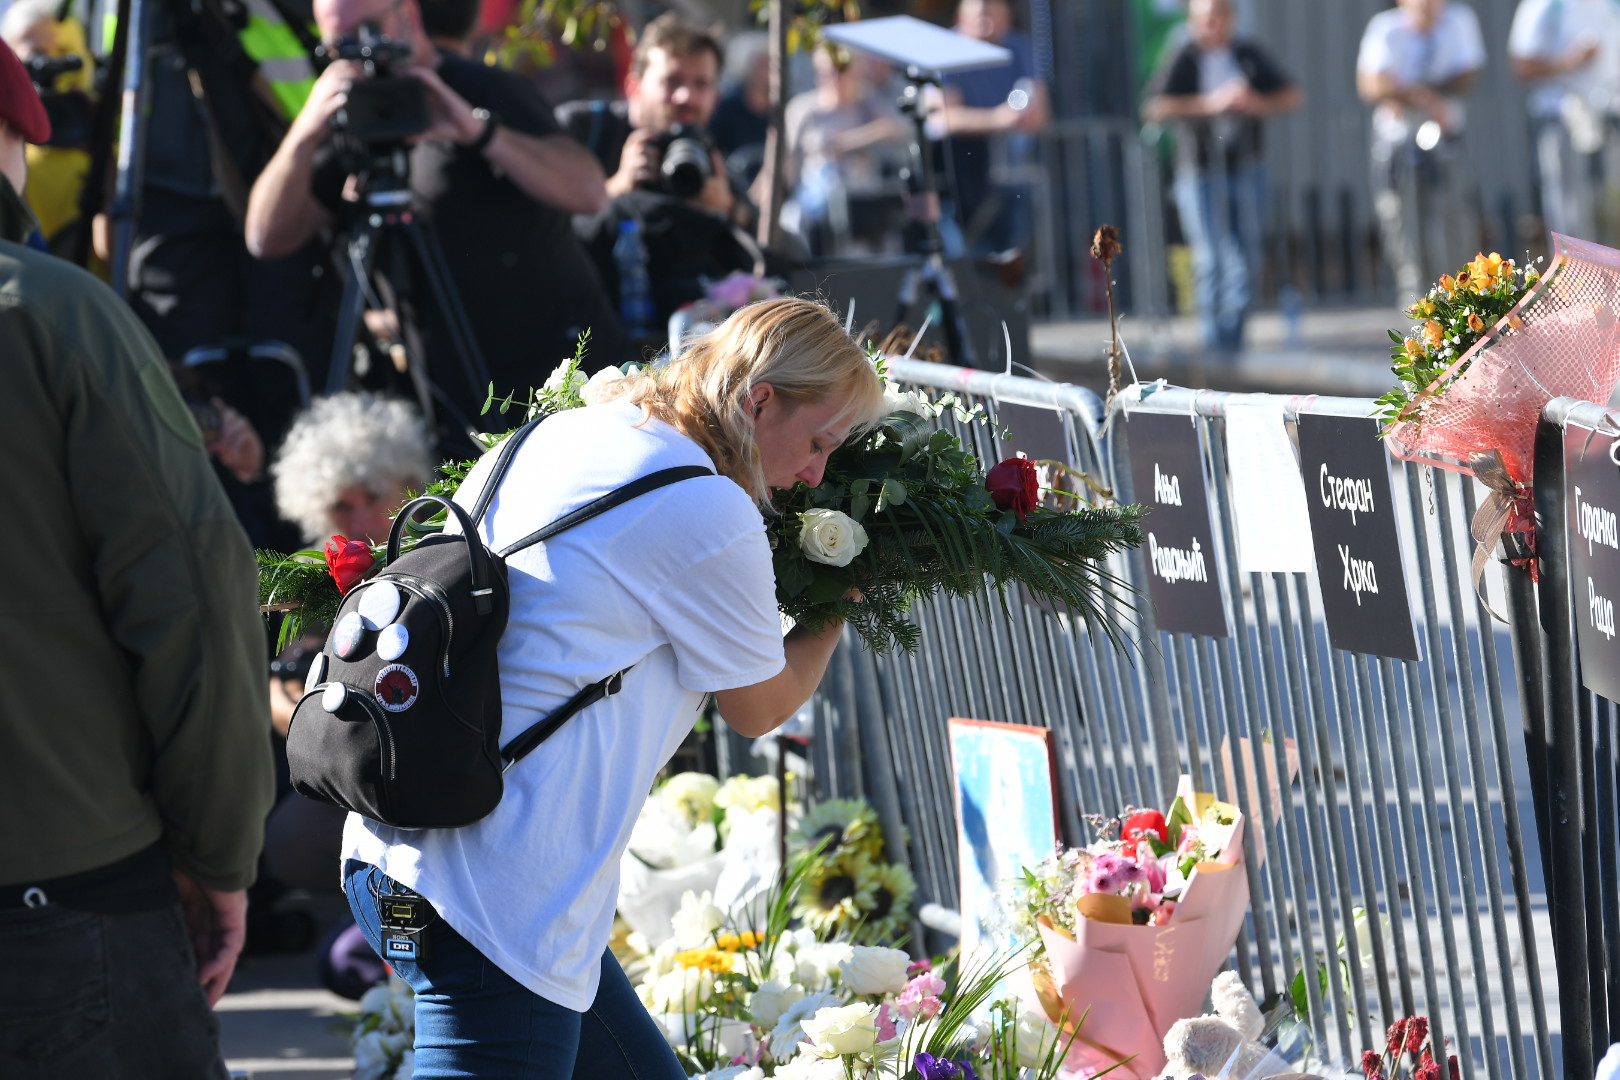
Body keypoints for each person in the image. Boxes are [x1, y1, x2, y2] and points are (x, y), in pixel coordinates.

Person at [340, 296, 887, 1075]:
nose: (817, 473)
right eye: (819, 441)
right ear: (762, 400)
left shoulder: (565, 431)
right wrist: (847, 594)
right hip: (497, 893)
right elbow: (760, 706)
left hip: (398, 851)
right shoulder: (704, 505)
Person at [0, 41, 275, 1076]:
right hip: (62, 889)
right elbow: (194, 595)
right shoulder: (51, 313)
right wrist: (220, 854)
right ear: (14, 137)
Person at [244, 0, 627, 439]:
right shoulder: (350, 120)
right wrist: (304, 132)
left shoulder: (482, 89)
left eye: (370, 28)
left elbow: (589, 192)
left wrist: (478, 132)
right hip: (455, 407)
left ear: (408, 13)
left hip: (565, 381)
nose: (363, 51)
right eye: (340, 44)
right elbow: (266, 237)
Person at [557, 14, 760, 340]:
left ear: (715, 97)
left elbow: (768, 251)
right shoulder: (584, 130)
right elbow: (539, 231)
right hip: (585, 337)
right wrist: (615, 189)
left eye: (701, 84)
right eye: (671, 81)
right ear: (633, 87)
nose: (685, 97)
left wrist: (728, 210)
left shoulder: (706, 159)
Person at [1142, 0, 1300, 353]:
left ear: (1231, 19)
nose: (1211, 25)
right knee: (1209, 258)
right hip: (1199, 171)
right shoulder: (1183, 55)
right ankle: (1212, 346)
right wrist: (1211, 103)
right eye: (1203, 19)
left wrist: (1255, 103)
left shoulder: (1247, 52)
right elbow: (1156, 106)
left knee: (1246, 257)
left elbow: (1291, 95)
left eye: (1218, 17)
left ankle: (1233, 343)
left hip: (1247, 167)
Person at [1356, 0, 1485, 299]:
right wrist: (1422, 97)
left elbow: (1468, 74)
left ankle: (1462, 302)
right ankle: (1417, 305)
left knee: (1454, 224)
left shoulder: (1458, 20)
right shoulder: (1385, 28)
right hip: (1397, 144)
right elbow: (1371, 84)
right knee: (1403, 229)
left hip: (1445, 141)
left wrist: (1405, 90)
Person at [934, 0, 1050, 256]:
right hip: (962, 175)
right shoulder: (945, 48)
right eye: (981, 16)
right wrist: (998, 119)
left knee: (1012, 256)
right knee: (967, 255)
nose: (987, 24)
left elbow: (1040, 111)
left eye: (994, 15)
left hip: (1011, 176)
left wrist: (1019, 115)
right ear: (961, 18)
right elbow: (943, 118)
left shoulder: (1018, 47)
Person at [1509, 0, 1620, 241]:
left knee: (1612, 206)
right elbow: (1522, 66)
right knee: (1572, 213)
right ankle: (1574, 267)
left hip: (1611, 118)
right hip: (1562, 120)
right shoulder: (1544, 5)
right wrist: (1569, 61)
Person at [782, 47, 907, 257]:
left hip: (860, 199)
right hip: (817, 198)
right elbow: (787, 161)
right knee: (793, 220)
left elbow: (897, 129)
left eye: (839, 70)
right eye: (824, 71)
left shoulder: (865, 100)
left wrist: (849, 142)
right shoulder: (803, 108)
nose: (831, 77)